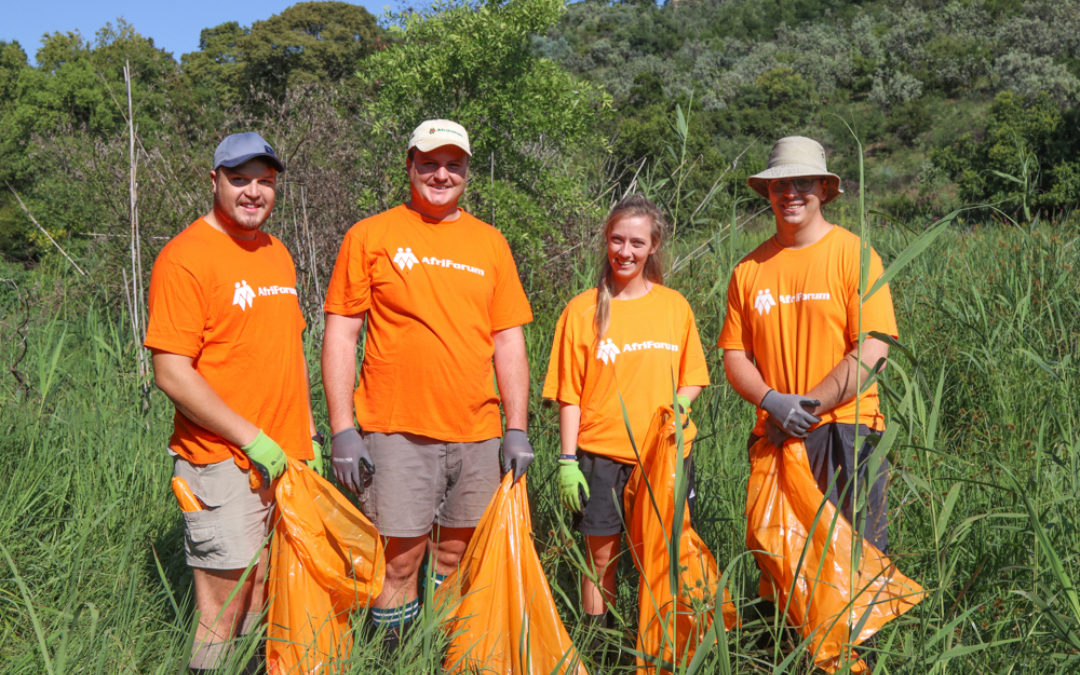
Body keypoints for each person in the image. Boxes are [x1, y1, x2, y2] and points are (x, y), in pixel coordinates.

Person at [321, 119, 534, 651]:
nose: (442, 174)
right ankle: (394, 659)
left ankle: (446, 654)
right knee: (398, 560)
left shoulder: (490, 243)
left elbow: (508, 341)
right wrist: (343, 428)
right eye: (430, 163)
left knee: (457, 557)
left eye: (453, 165)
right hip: (395, 430)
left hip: (477, 432)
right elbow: (342, 335)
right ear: (410, 166)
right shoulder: (371, 235)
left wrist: (517, 428)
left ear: (467, 172)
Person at [145, 132, 323, 674]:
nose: (253, 193)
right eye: (240, 179)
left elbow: (286, 355)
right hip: (220, 462)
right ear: (214, 180)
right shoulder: (185, 258)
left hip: (284, 458)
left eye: (265, 182)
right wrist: (251, 438)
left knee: (262, 596)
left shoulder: (277, 253)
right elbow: (171, 373)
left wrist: (307, 437)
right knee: (222, 609)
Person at [717, 135, 897, 553]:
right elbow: (735, 356)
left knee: (856, 564)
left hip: (847, 430)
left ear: (823, 190)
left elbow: (873, 352)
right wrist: (772, 401)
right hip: (778, 435)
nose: (790, 193)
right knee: (785, 565)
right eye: (780, 184)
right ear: (768, 192)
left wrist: (807, 407)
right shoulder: (748, 270)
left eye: (802, 182)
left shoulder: (856, 255)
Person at [542, 194, 709, 633]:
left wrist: (683, 402)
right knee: (600, 561)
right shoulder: (580, 311)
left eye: (636, 242)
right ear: (606, 240)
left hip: (664, 457)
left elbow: (693, 375)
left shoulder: (675, 307)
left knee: (663, 558)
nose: (625, 251)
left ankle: (664, 646)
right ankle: (600, 647)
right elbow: (569, 395)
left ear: (653, 246)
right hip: (600, 457)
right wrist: (565, 462)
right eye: (617, 240)